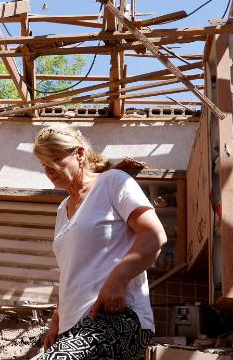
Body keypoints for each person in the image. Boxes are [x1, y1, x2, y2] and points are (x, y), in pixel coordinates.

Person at [33, 123, 167, 359]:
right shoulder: (62, 209)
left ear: (80, 153)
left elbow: (154, 235)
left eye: (54, 159)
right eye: (43, 163)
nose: (48, 168)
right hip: (72, 328)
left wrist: (117, 280)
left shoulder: (113, 182)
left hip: (116, 317)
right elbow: (72, 272)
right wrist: (56, 320)